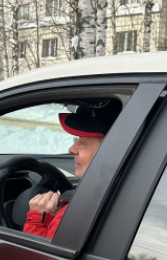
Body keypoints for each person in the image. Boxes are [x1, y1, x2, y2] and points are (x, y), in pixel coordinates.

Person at [23, 100, 122, 238]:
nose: (72, 149)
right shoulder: (120, 193)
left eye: (83, 143)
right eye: (76, 140)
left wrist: (37, 221)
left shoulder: (78, 213)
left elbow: (34, 253)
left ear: (111, 153)